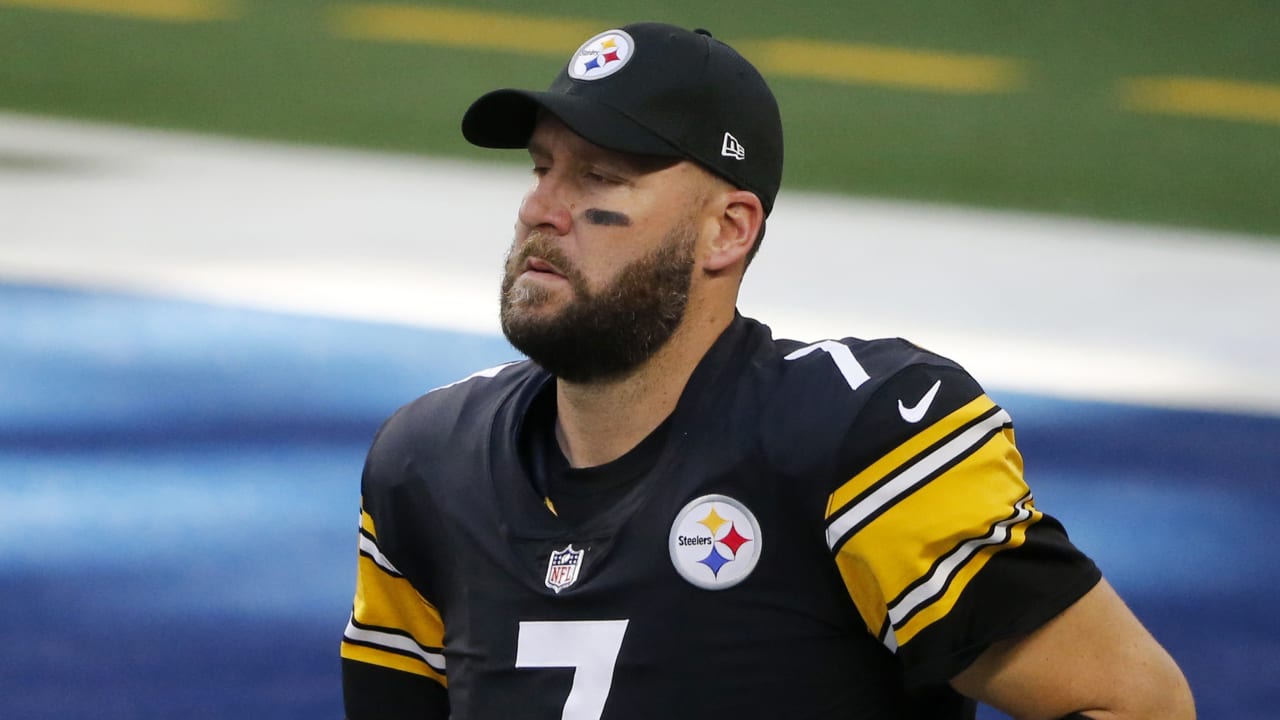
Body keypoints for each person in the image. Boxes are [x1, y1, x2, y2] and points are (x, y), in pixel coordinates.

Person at [340, 22, 1194, 720]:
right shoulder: (427, 463)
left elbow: (1137, 706)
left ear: (728, 231)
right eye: (541, 169)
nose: (541, 210)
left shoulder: (856, 439)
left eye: (600, 177)